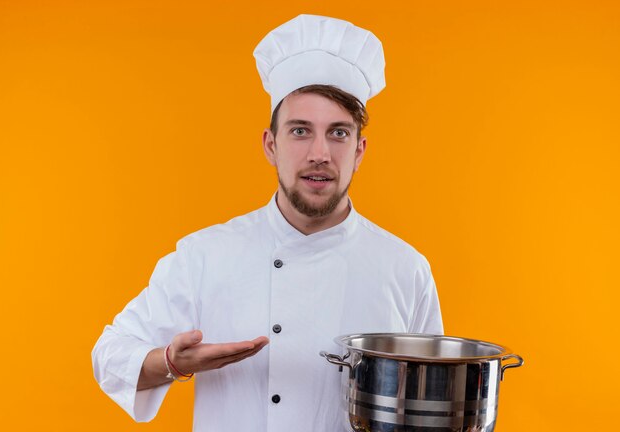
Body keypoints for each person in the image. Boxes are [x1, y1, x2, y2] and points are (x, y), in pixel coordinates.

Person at [92, 14, 443, 431]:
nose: (320, 153)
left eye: (338, 133)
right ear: (271, 145)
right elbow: (109, 354)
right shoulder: (205, 255)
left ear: (360, 150)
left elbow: (433, 408)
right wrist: (171, 362)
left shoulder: (406, 270)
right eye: (300, 131)